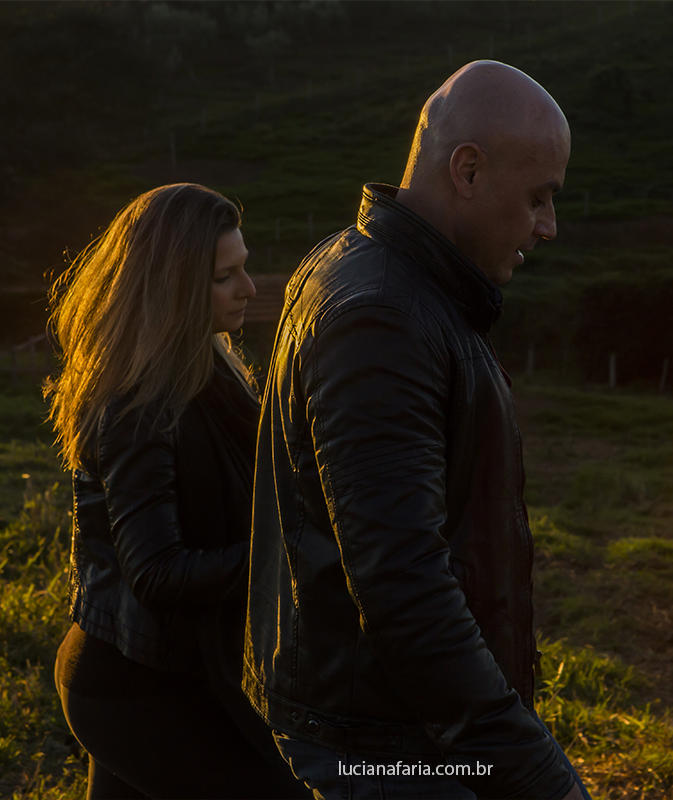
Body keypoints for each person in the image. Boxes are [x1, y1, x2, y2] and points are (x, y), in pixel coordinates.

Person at [245, 62, 591, 799]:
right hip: (384, 752)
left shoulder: (384, 277)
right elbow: (404, 584)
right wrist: (531, 771)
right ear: (467, 169)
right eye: (539, 198)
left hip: (396, 736)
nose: (548, 226)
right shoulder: (384, 315)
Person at [46, 183, 309, 799]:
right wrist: (287, 552)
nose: (248, 288)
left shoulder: (210, 368)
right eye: (226, 276)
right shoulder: (140, 411)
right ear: (176, 289)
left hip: (165, 674)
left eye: (243, 268)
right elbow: (159, 575)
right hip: (131, 687)